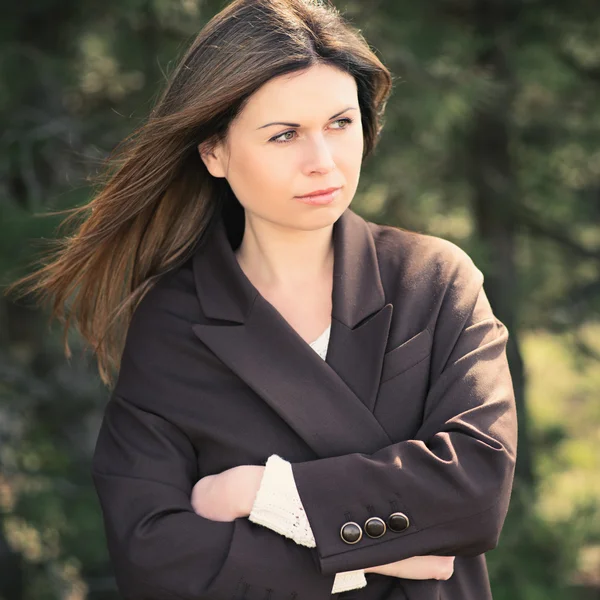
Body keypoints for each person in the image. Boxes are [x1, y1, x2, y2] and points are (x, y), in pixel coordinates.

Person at [4, 0, 518, 598]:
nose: (322, 162)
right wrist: (361, 558)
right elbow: (151, 554)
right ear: (214, 152)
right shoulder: (174, 322)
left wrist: (264, 493)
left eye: (340, 123)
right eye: (284, 135)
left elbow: (478, 490)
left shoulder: (434, 279)